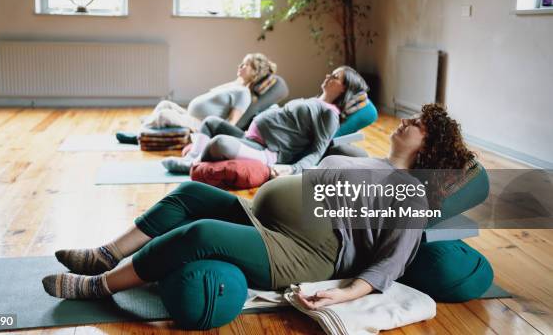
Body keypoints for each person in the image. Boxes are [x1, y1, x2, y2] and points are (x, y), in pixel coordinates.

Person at [42, 104, 475, 310]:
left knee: (202, 234)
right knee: (192, 196)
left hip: (303, 252)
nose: (411, 119)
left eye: (421, 124)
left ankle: (102, 286)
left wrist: (346, 292)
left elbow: (392, 261)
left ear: (428, 146)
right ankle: (106, 253)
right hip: (264, 218)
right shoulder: (368, 161)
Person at [161, 66, 369, 175]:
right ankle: (193, 157)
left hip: (267, 152)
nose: (328, 76)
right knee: (211, 123)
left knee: (219, 143)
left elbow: (318, 150)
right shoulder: (314, 101)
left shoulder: (329, 114)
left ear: (344, 88)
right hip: (250, 137)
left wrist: (293, 169)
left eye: (335, 76)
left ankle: (193, 165)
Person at [116, 53, 277, 144]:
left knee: (164, 115)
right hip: (192, 115)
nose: (239, 67)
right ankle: (144, 130)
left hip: (199, 124)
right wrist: (239, 80)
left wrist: (207, 136)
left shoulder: (244, 94)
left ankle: (138, 137)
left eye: (244, 65)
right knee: (165, 104)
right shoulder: (237, 87)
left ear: (255, 72)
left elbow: (231, 124)